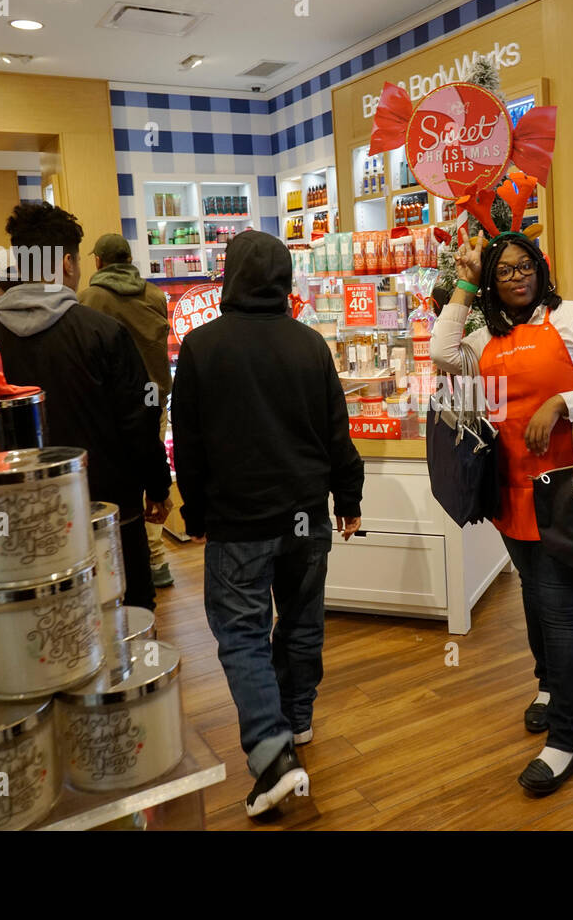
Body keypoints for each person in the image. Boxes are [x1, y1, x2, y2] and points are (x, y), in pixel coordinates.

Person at [430, 230, 573, 796]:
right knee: (531, 588)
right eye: (504, 271)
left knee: (562, 606)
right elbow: (441, 352)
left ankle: (564, 740)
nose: (517, 277)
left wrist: (563, 401)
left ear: (542, 268)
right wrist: (466, 283)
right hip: (508, 490)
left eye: (525, 267)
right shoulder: (486, 334)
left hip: (567, 492)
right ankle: (547, 685)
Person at [171, 230, 363, 819]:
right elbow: (336, 432)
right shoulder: (310, 345)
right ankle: (296, 722)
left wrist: (195, 512)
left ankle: (273, 752)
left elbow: (190, 445)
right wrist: (348, 496)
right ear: (284, 279)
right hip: (306, 513)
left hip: (239, 518)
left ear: (230, 275)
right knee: (302, 623)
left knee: (242, 634)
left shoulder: (203, 347)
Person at [0, 202, 172, 610]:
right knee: (126, 618)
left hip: (14, 518)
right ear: (68, 263)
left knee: (37, 623)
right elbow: (139, 419)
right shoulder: (102, 333)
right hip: (107, 512)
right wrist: (158, 488)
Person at [77, 232, 175, 590]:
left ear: (99, 262)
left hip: (111, 406)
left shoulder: (88, 297)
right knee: (154, 473)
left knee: (118, 481)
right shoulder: (155, 295)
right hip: (154, 398)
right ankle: (158, 559)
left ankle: (114, 561)